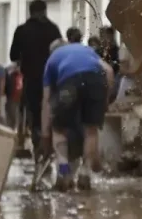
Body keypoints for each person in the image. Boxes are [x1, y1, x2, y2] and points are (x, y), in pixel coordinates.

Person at [43, 37, 110, 191]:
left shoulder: (52, 59)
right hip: (96, 82)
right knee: (91, 130)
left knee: (59, 129)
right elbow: (109, 71)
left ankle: (64, 173)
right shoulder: (86, 50)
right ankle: (85, 174)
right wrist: (103, 103)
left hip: (69, 85)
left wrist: (46, 133)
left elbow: (46, 101)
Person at [9, 0, 62, 158]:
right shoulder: (53, 29)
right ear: (45, 11)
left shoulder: (22, 30)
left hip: (31, 79)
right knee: (51, 111)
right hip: (52, 79)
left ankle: (38, 145)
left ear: (30, 12)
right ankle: (52, 147)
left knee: (33, 113)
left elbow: (13, 56)